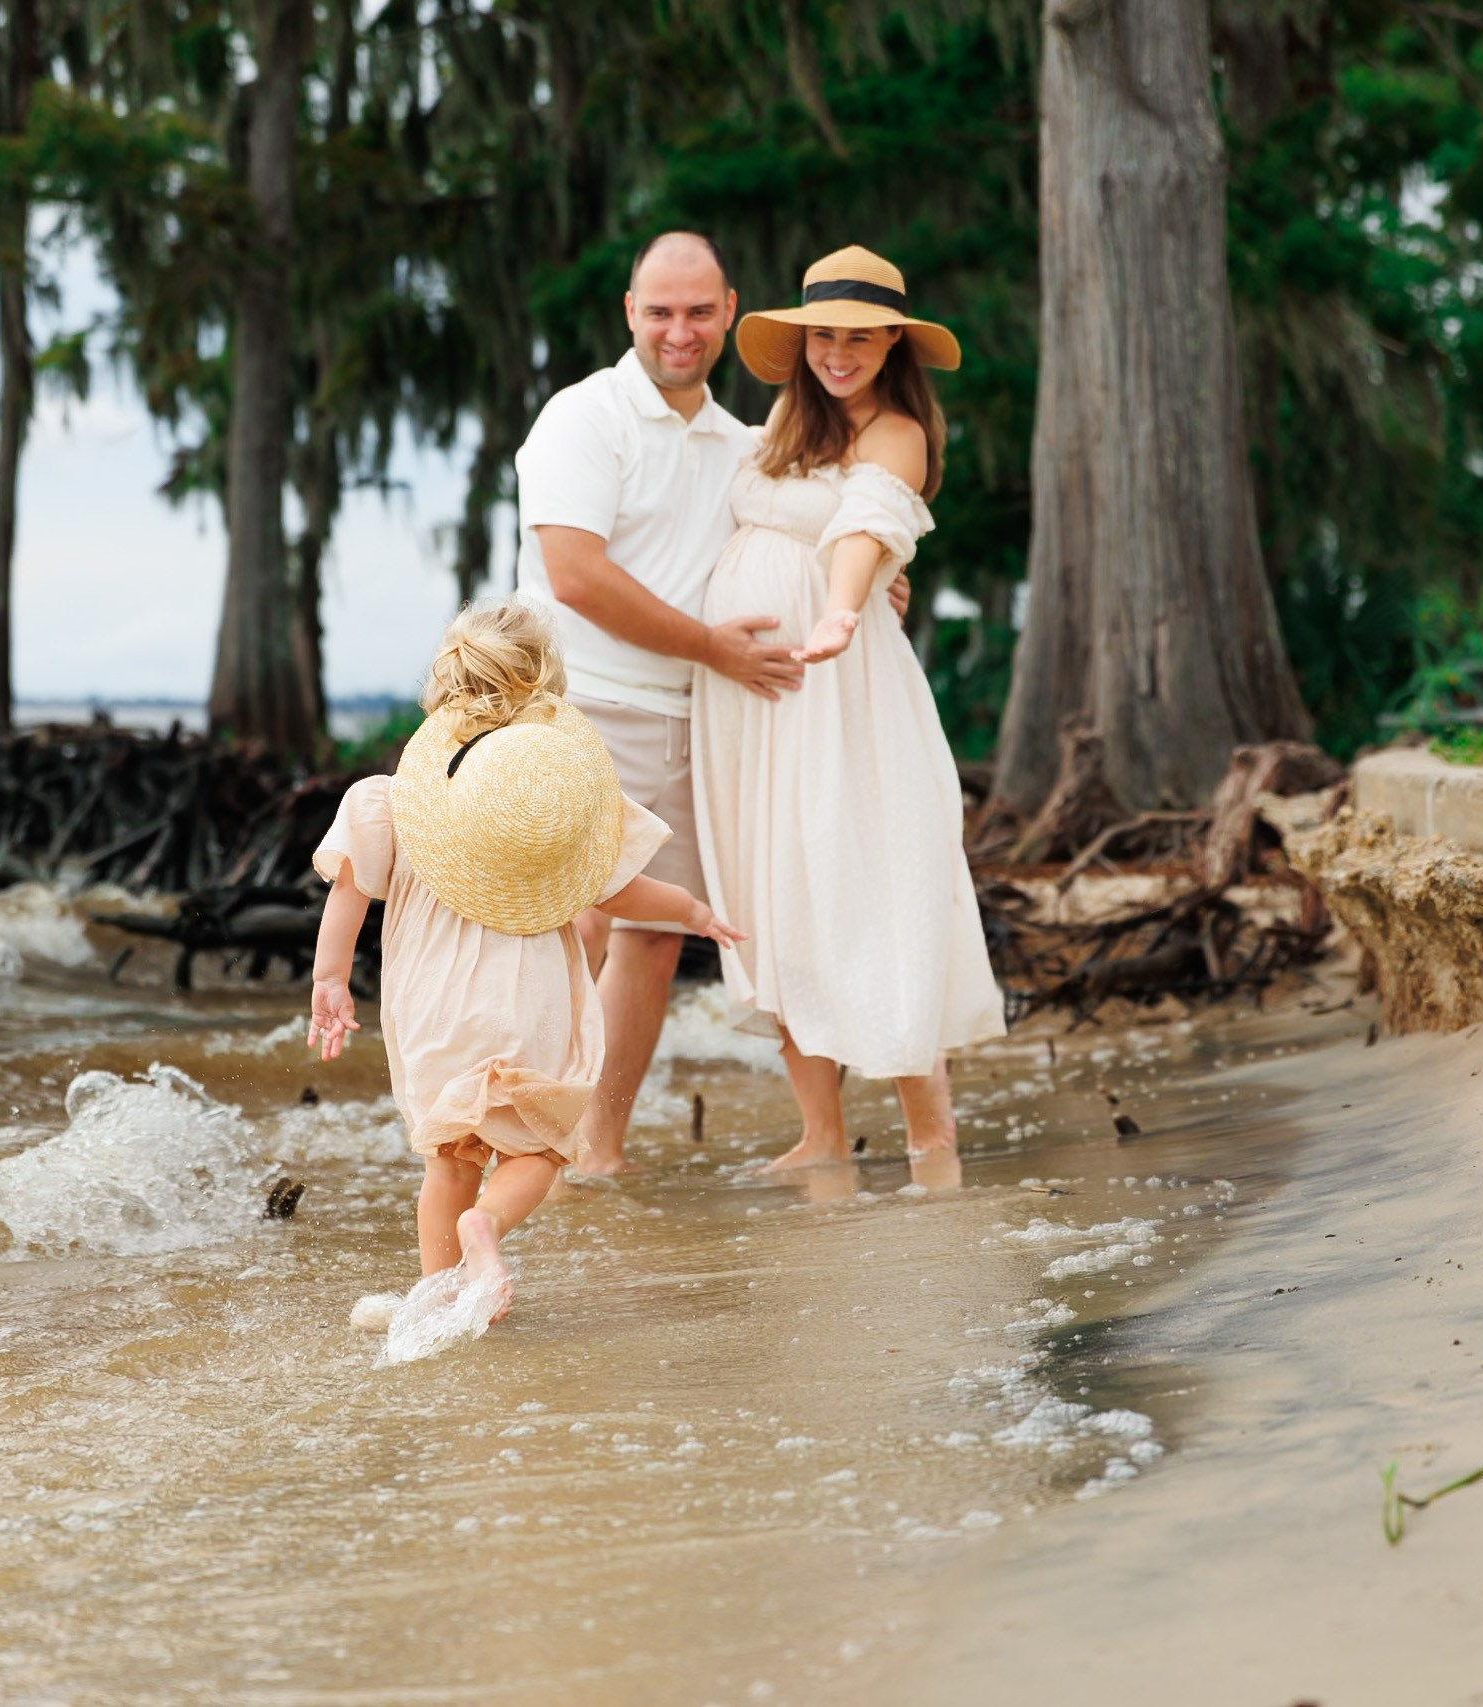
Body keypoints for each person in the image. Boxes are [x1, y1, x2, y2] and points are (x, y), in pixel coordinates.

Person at [513, 230, 903, 1175]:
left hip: (695, 716)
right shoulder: (582, 418)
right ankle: (519, 1141)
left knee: (654, 935)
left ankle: (595, 1149)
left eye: (696, 312)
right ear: (629, 314)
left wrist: (884, 582)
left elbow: (832, 524)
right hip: (584, 703)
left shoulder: (746, 444)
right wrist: (714, 648)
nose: (678, 332)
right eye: (658, 312)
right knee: (577, 922)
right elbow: (574, 576)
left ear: (729, 311)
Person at [306, 604, 741, 1321]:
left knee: (449, 1158)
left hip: (432, 1007)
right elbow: (624, 889)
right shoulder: (556, 805)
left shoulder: (390, 803)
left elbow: (348, 896)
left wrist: (330, 981)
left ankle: (439, 1295)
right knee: (536, 1148)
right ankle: (490, 1227)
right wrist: (692, 911)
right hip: (527, 1002)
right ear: (547, 684)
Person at [691, 245, 1007, 1183]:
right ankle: (822, 1136)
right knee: (771, 887)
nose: (838, 352)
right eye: (823, 334)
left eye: (859, 338)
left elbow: (868, 524)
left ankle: (930, 1141)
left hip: (840, 687)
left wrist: (841, 606)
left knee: (866, 879)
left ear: (892, 344)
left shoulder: (898, 431)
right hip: (750, 696)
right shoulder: (788, 416)